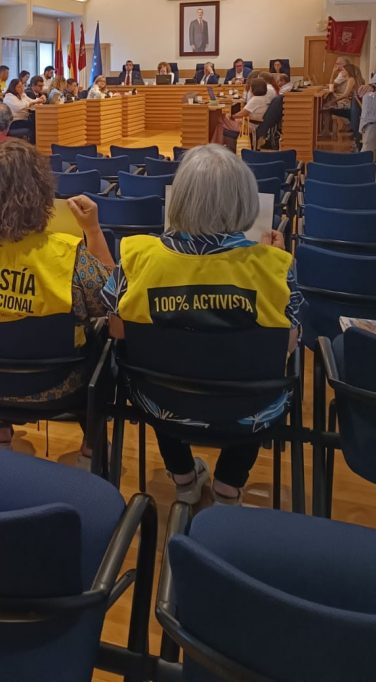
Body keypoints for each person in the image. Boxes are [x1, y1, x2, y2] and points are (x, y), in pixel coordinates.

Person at [103, 144, 303, 505]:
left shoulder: (138, 258)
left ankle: (183, 476)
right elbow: (286, 344)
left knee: (163, 366)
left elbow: (117, 330)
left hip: (160, 402)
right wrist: (272, 258)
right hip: (249, 411)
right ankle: (229, 485)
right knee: (254, 375)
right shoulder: (275, 267)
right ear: (244, 201)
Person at [0, 139, 114, 457]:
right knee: (99, 344)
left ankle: (0, 427)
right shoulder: (68, 256)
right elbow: (113, 299)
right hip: (55, 386)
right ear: (41, 194)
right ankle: (91, 446)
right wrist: (93, 231)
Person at [357, 38, 376, 163]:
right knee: (369, 154)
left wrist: (373, 86)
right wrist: (375, 69)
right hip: (371, 119)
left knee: (373, 156)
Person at [320, 61, 357, 136]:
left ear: (348, 71)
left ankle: (326, 130)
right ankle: (326, 130)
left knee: (326, 107)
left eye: (343, 70)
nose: (342, 71)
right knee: (326, 106)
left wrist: (332, 101)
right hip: (348, 102)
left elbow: (345, 95)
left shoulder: (351, 80)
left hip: (348, 104)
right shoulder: (349, 79)